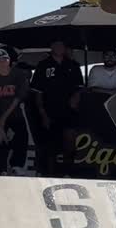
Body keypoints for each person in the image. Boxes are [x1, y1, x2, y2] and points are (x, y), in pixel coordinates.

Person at [30, 39, 84, 176]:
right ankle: (50, 174)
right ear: (51, 47)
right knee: (50, 145)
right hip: (49, 110)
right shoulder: (43, 65)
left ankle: (68, 172)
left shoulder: (73, 65)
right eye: (56, 45)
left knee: (70, 141)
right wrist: (42, 113)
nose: (59, 48)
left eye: (62, 45)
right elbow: (37, 92)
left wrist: (76, 97)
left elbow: (80, 87)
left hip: (69, 110)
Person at [0, 48, 29, 175]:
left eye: (5, 59)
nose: (3, 63)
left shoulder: (18, 74)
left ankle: (17, 165)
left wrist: (3, 120)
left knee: (22, 134)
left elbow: (17, 99)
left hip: (13, 112)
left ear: (9, 61)